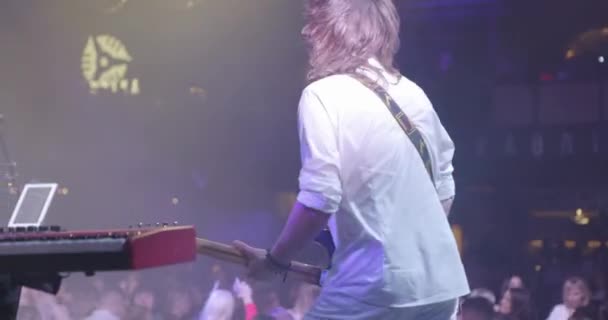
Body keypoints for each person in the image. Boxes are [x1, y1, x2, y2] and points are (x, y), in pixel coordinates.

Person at [233, 0, 469, 319]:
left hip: (375, 291)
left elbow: (319, 199)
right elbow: (445, 186)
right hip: (442, 288)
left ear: (336, 31)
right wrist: (408, 252)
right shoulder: (413, 93)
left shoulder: (323, 94)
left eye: (315, 23)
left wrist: (275, 262)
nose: (306, 32)